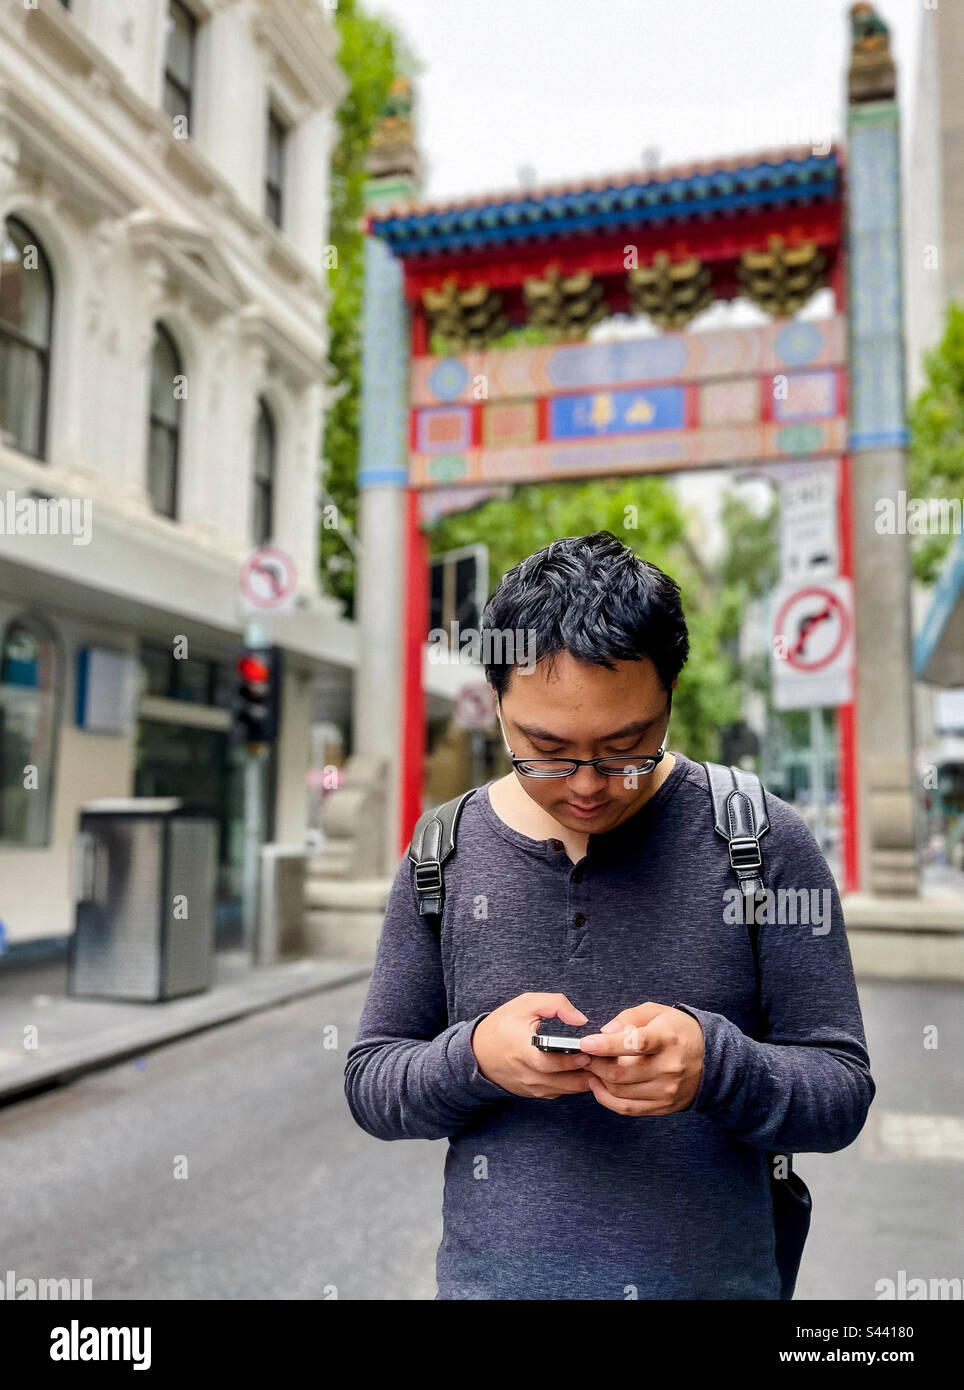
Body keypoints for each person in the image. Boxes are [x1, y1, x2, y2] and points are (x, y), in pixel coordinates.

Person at [344, 530, 875, 1300]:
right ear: (497, 704)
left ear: (670, 696)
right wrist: (477, 1059)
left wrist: (715, 1066)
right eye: (545, 749)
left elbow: (840, 1092)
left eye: (627, 747)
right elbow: (372, 1081)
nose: (588, 785)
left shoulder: (760, 841)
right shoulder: (442, 853)